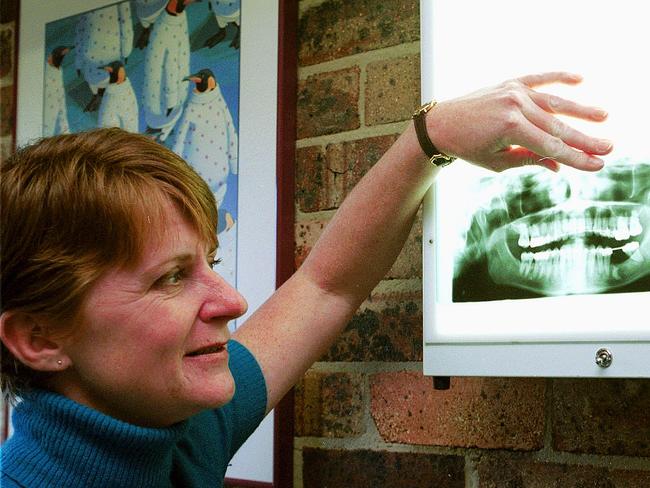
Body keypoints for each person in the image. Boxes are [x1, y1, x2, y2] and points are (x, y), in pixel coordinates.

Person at [0, 72, 612, 487]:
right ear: (41, 338)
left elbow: (325, 285)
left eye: (208, 265)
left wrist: (431, 139)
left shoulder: (178, 430)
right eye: (168, 279)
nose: (232, 302)